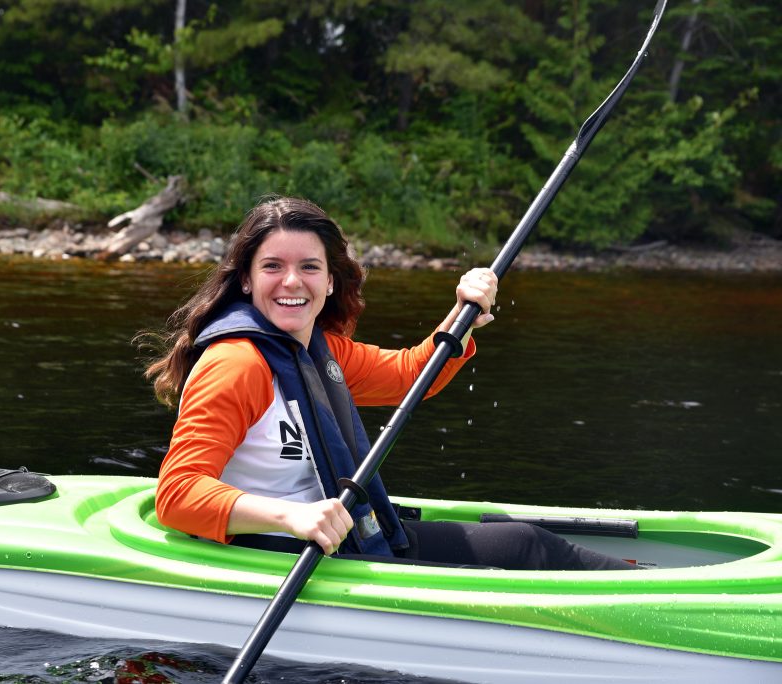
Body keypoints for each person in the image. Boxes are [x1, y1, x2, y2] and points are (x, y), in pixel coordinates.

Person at [142, 196, 636, 570]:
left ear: (331, 281)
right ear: (246, 281)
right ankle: (647, 593)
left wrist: (462, 314)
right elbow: (178, 496)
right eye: (273, 266)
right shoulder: (236, 364)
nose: (292, 282)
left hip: (335, 537)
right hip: (275, 550)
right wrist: (290, 517)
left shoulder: (320, 351)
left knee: (526, 543)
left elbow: (410, 376)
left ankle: (645, 581)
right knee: (526, 547)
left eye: (309, 267)